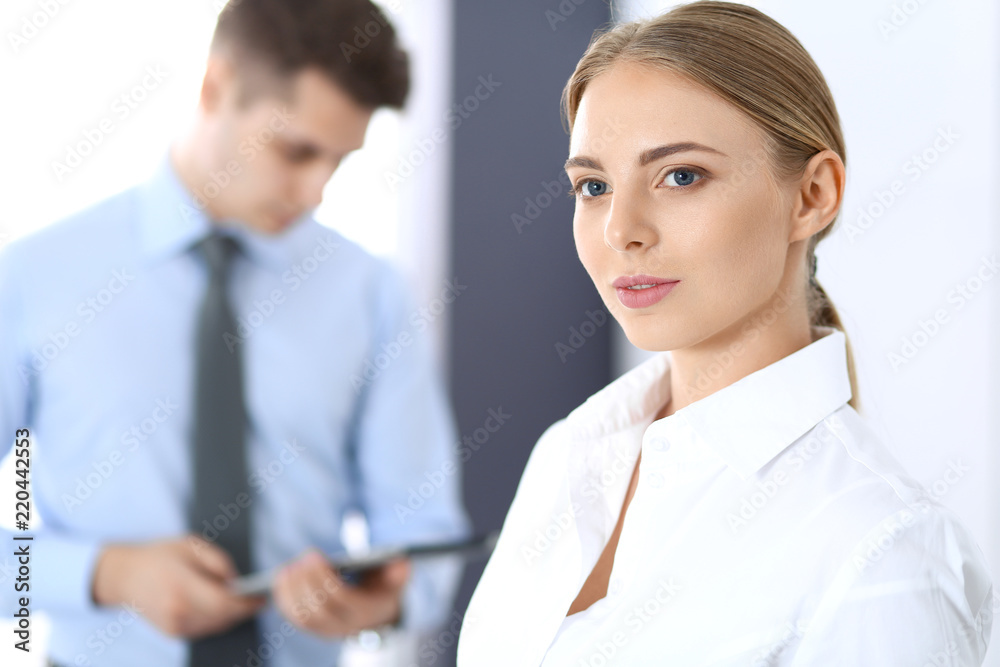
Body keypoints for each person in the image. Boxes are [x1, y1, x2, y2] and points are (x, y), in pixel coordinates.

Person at [457, 2, 994, 665]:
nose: (621, 230)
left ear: (813, 195)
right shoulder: (568, 454)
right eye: (593, 186)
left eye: (680, 176)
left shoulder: (885, 555)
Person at [0, 0, 469, 665]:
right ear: (215, 87)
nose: (316, 191)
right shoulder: (35, 276)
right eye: (297, 151)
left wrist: (380, 605)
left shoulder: (372, 294)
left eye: (339, 161)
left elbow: (423, 534)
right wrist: (106, 573)